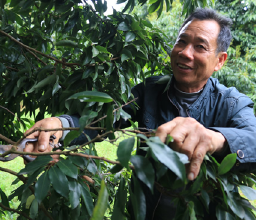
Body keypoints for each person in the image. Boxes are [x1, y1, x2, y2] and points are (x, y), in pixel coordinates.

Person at [24, 8, 256, 219]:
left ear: (220, 61)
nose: (185, 53)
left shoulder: (231, 101)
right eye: (181, 41)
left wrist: (215, 138)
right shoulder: (149, 91)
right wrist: (61, 125)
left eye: (200, 46)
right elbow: (106, 119)